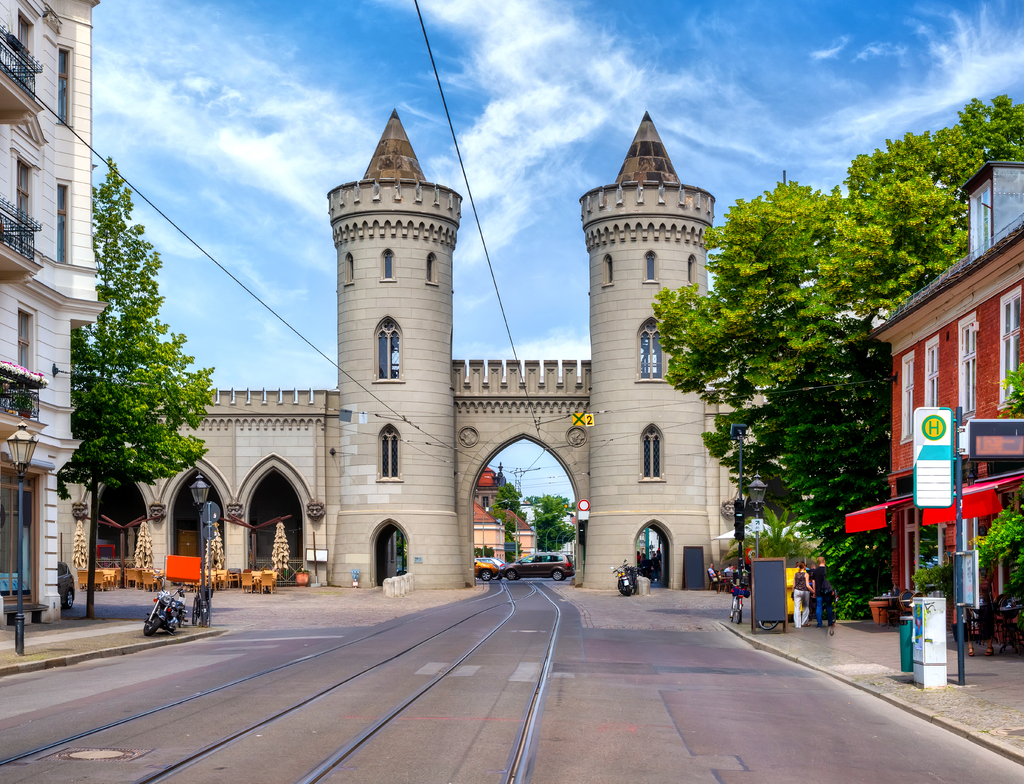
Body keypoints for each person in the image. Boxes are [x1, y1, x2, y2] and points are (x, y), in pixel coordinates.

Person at [970, 567, 995, 656]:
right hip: (974, 601)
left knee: (988, 622)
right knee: (969, 621)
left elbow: (986, 584)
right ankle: (970, 647)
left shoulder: (988, 572)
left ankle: (989, 646)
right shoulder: (974, 570)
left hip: (986, 601)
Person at [809, 556, 831, 628]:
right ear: (824, 561)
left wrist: (814, 592)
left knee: (819, 607)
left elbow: (814, 583)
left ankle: (819, 624)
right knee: (828, 606)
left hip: (818, 591)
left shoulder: (815, 571)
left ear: (818, 562)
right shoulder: (828, 570)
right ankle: (830, 622)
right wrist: (832, 590)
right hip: (827, 591)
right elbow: (831, 581)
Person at [792, 561, 811, 628]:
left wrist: (792, 593)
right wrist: (813, 591)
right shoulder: (806, 574)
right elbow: (807, 585)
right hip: (804, 592)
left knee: (797, 608)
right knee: (806, 607)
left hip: (796, 591)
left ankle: (797, 625)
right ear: (804, 567)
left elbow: (793, 585)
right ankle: (804, 622)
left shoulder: (795, 574)